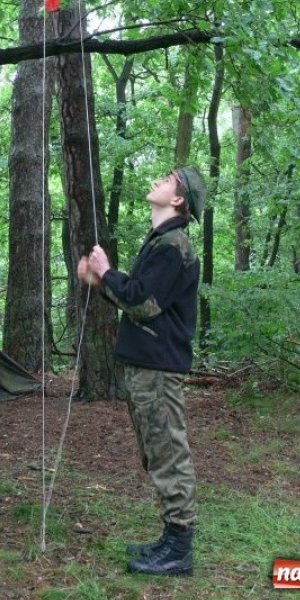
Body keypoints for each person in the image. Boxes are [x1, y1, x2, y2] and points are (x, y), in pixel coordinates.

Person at [77, 166, 207, 576]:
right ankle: (170, 538)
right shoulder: (162, 244)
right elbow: (138, 298)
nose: (158, 180)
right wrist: (102, 282)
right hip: (146, 368)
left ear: (179, 199)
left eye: (168, 178)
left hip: (158, 369)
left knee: (169, 454)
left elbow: (142, 302)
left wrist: (106, 270)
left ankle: (179, 550)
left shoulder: (174, 246)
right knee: (156, 453)